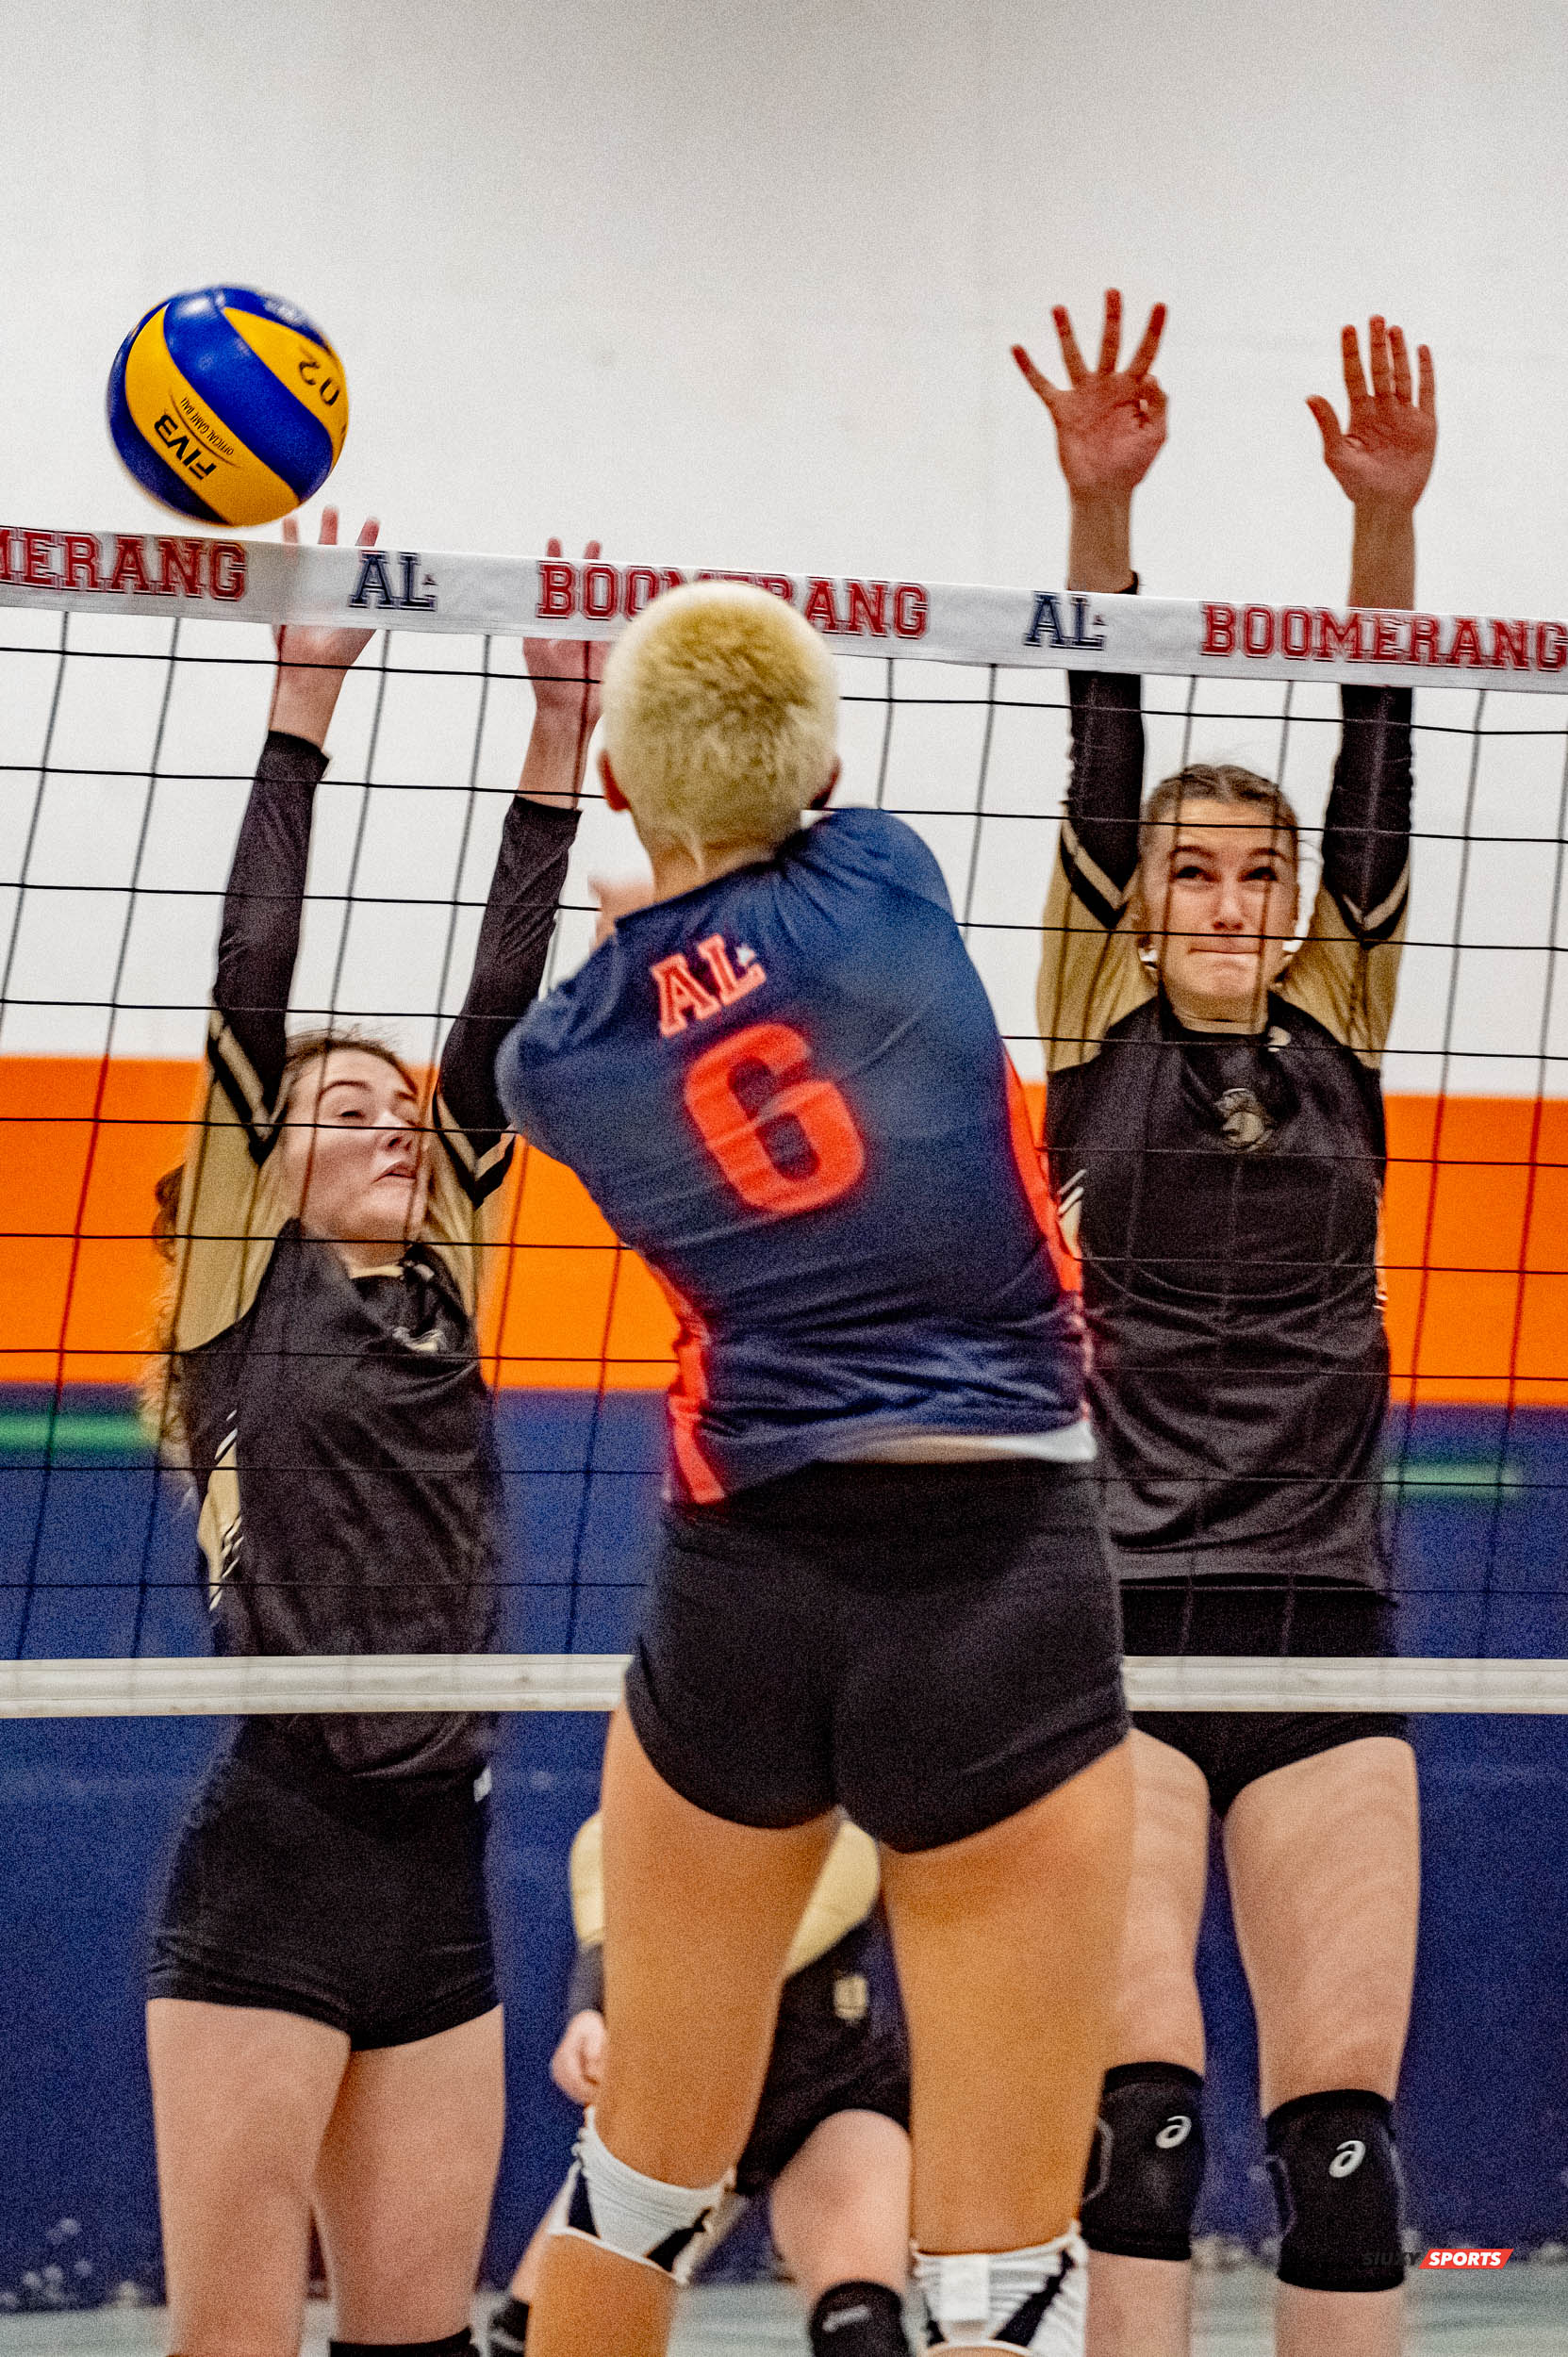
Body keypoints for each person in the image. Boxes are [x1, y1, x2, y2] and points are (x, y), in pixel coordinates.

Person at [496, 577, 1134, 2357]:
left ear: (617, 782)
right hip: (992, 1575)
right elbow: (748, 858)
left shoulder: (562, 1069)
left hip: (745, 1587)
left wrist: (619, 819)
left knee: (637, 2181)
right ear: (827, 766)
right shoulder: (891, 885)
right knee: (1002, 2262)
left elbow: (650, 937)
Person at [1015, 291, 1435, 2357]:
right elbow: (1094, 744)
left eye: (1255, 873)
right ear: (1142, 894)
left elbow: (1386, 739)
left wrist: (1386, 526)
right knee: (1148, 2126)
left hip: (1324, 1626)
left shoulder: (1337, 1028)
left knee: (1343, 2142)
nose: (1222, 897)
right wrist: (1100, 512)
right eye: (1189, 868)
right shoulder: (1092, 1032)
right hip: (1120, 1617)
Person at [140, 510, 604, 2357]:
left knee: (419, 2341)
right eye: (351, 1108)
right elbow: (254, 985)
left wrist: (557, 743)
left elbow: (493, 1021)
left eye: (396, 1108)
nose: (398, 1125)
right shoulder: (236, 1298)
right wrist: (301, 698)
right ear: (267, 1162)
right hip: (273, 1860)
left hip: (440, 1875)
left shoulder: (450, 1275)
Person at [490, 1812, 915, 2357]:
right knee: (524, 2337)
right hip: (690, 2100)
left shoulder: (847, 1841)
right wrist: (592, 2013)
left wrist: (626, 2015)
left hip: (826, 2100)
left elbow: (768, 1945)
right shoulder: (640, 1814)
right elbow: (607, 1888)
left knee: (861, 2329)